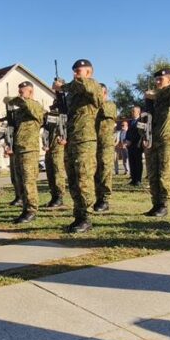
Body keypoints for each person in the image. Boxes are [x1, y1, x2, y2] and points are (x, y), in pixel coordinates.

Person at [54, 58, 103, 233]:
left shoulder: (92, 85)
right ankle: (79, 216)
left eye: (78, 71)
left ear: (88, 72)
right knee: (73, 179)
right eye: (74, 71)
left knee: (84, 178)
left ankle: (87, 217)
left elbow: (84, 86)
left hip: (86, 141)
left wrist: (63, 86)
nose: (75, 74)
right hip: (72, 140)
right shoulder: (74, 92)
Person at [144, 69, 170, 217]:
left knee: (164, 173)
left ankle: (164, 204)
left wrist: (154, 94)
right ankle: (156, 203)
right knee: (152, 174)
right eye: (156, 80)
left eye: (160, 79)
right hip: (152, 141)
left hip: (166, 141)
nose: (157, 82)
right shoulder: (152, 100)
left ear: (169, 80)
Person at [5, 81, 46, 224]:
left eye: (22, 92)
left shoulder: (35, 106)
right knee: (20, 180)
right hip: (18, 148)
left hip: (29, 149)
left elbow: (32, 109)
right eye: (19, 92)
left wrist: (18, 100)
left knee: (29, 181)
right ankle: (24, 207)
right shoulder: (19, 111)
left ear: (30, 92)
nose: (20, 95)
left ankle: (31, 210)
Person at [93, 83, 117, 212]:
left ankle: (105, 199)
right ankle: (98, 197)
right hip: (94, 142)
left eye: (99, 93)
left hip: (106, 144)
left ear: (105, 93)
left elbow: (104, 111)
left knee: (105, 171)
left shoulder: (110, 105)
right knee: (95, 172)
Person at [124, 106, 144, 186]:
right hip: (130, 146)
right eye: (131, 111)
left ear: (138, 112)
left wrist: (130, 141)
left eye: (133, 111)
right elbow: (128, 132)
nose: (132, 113)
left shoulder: (141, 121)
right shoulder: (130, 121)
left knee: (138, 163)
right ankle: (133, 179)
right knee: (131, 162)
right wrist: (126, 140)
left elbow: (139, 133)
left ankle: (138, 180)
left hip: (137, 145)